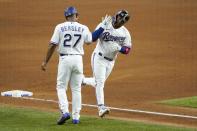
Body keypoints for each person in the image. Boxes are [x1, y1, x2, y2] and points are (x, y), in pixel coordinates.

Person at [41, 6, 112, 125]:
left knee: (61, 87)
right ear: (76, 16)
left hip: (65, 59)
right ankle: (76, 118)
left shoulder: (60, 27)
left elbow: (52, 45)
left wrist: (45, 61)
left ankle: (64, 111)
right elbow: (91, 40)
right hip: (78, 60)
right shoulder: (83, 27)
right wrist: (102, 27)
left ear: (66, 16)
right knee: (76, 89)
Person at [83, 10, 132, 118]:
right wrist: (102, 26)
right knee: (100, 83)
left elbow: (128, 50)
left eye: (120, 19)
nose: (117, 19)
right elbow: (92, 39)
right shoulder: (105, 24)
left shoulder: (125, 33)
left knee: (98, 82)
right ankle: (101, 107)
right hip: (99, 58)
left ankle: (82, 80)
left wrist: (119, 48)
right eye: (118, 16)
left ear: (123, 21)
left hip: (111, 61)